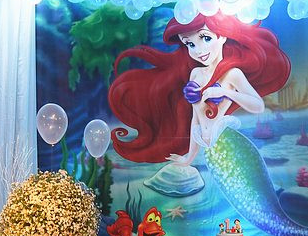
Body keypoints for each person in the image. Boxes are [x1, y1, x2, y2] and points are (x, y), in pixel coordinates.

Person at [109, 12, 290, 166]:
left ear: (222, 36)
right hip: (209, 150)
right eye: (190, 44)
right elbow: (195, 119)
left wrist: (225, 93)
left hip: (228, 145)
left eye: (206, 38)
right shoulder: (195, 74)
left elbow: (258, 105)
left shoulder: (232, 73)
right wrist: (189, 158)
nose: (198, 50)